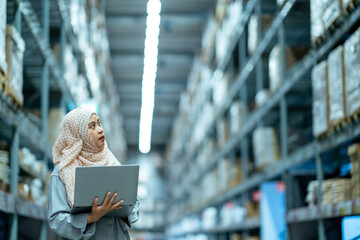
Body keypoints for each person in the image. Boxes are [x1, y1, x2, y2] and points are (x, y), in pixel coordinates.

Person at [48, 107, 139, 240]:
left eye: (99, 123)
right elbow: (56, 220)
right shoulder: (63, 172)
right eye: (92, 126)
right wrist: (91, 217)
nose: (100, 129)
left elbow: (134, 203)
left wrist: (123, 211)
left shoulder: (112, 163)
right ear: (78, 134)